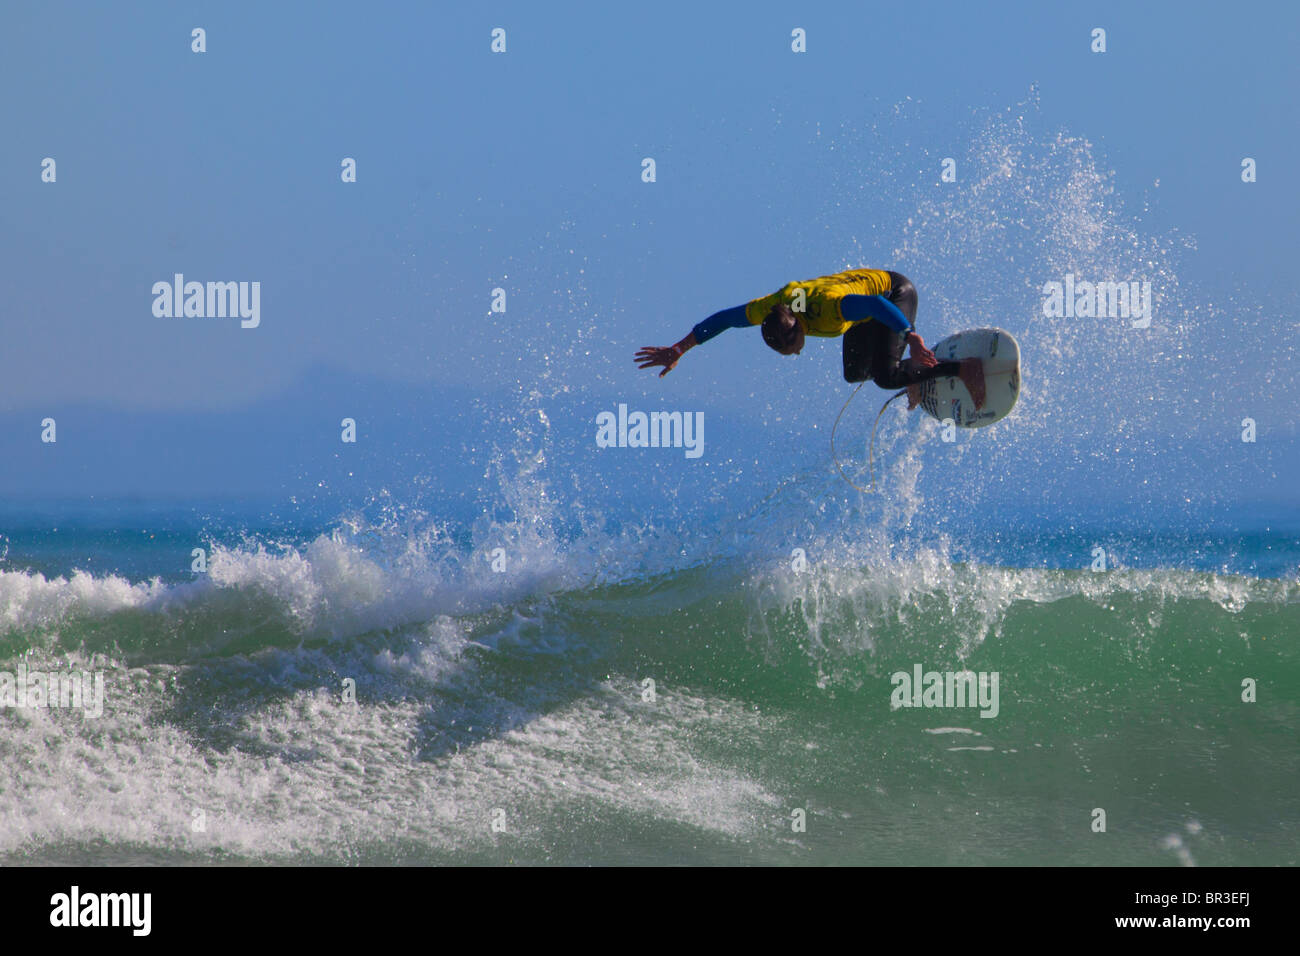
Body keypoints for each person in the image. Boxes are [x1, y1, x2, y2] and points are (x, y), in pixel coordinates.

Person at [634, 267, 984, 410]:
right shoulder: (770, 308)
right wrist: (680, 348)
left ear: (800, 328)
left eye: (794, 348)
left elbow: (878, 303)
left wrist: (910, 337)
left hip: (892, 296)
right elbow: (725, 319)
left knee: (884, 377)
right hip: (864, 314)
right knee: (854, 373)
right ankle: (913, 373)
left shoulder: (831, 311)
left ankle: (962, 368)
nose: (797, 353)